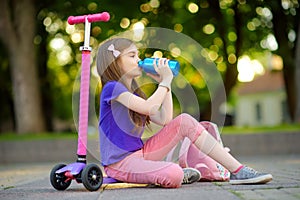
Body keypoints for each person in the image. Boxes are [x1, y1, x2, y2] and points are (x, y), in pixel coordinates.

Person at [96, 38, 273, 188]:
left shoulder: (135, 93)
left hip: (141, 153)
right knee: (173, 175)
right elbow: (149, 108)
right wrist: (164, 81)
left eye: (138, 55)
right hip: (120, 163)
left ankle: (238, 170)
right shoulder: (112, 88)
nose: (138, 60)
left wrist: (166, 84)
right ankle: (172, 172)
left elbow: (165, 119)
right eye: (132, 56)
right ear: (114, 61)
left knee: (184, 121)